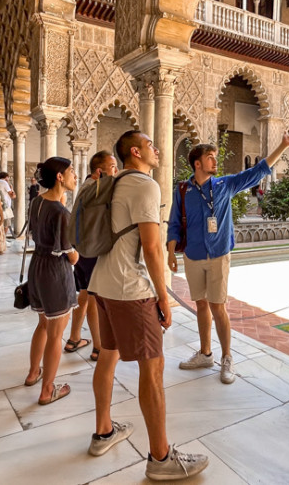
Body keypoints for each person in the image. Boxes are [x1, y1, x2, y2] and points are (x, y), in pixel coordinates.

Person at [87, 130, 208, 481]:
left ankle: (103, 431)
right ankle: (160, 457)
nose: (157, 149)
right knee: (153, 369)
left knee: (107, 357)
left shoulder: (113, 182)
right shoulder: (144, 184)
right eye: (151, 145)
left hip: (103, 284)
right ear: (136, 152)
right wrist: (163, 296)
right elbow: (153, 248)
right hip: (129, 289)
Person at [167, 128, 289, 384]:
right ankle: (206, 353)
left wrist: (283, 146)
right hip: (193, 254)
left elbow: (257, 172)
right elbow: (174, 222)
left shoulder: (224, 184)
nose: (215, 161)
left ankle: (227, 357)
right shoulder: (183, 190)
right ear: (197, 163)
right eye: (210, 157)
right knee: (200, 305)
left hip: (218, 254)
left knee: (218, 306)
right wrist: (170, 251)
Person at [23, 157, 79, 406]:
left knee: (43, 325)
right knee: (57, 333)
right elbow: (72, 257)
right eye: (71, 171)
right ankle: (48, 390)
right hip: (56, 271)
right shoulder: (61, 213)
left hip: (37, 266)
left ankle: (34, 372)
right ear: (60, 177)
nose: (75, 176)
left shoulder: (36, 202)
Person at [65, 150, 117, 361]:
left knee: (85, 294)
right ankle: (99, 346)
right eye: (112, 167)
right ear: (99, 171)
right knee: (95, 298)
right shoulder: (97, 187)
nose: (116, 171)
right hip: (92, 251)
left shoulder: (88, 185)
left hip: (84, 250)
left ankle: (74, 337)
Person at [0, 171, 15, 238]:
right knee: (6, 224)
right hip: (5, 207)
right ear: (5, 177)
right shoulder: (4, 183)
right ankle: (3, 239)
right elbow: (12, 195)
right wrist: (12, 188)